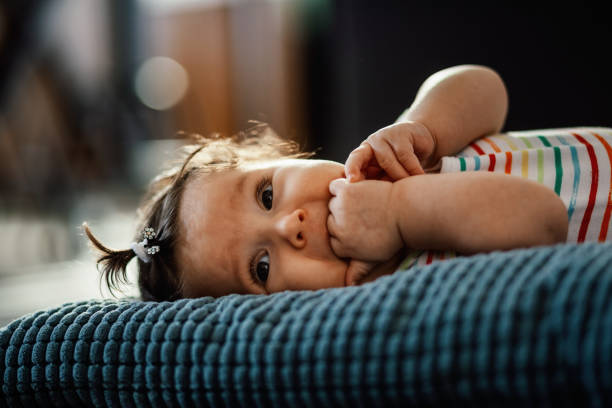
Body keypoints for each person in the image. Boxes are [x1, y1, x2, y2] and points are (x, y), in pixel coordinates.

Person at [84, 65, 611, 301]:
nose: (291, 224)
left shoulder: (394, 156)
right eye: (261, 267)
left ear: (284, 155)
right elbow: (540, 221)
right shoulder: (401, 289)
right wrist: (401, 214)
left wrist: (424, 125)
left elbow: (486, 88)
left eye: (267, 194)